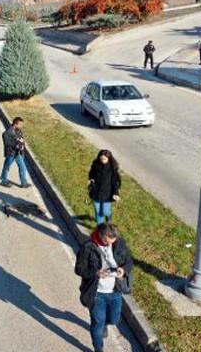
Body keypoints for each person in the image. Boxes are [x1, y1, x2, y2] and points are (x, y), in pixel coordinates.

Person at [75, 223, 132, 352]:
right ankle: (98, 347)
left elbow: (129, 261)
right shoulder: (88, 247)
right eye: (107, 242)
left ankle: (105, 324)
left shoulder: (119, 243)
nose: (110, 245)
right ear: (101, 236)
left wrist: (123, 270)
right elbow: (79, 269)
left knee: (114, 319)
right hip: (97, 293)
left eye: (113, 242)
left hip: (115, 291)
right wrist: (96, 273)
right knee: (97, 322)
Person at [88, 150, 121, 225]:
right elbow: (91, 173)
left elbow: (115, 182)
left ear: (109, 158)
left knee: (105, 211)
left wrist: (116, 193)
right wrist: (91, 179)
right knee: (98, 210)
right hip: (96, 192)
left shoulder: (113, 168)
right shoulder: (95, 165)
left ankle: (108, 217)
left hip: (107, 193)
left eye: (104, 159)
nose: (102, 160)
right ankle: (100, 227)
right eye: (101, 159)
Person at [0, 117, 30, 188]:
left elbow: (21, 139)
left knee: (22, 167)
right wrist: (17, 142)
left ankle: (23, 183)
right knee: (7, 167)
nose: (21, 126)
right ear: (15, 124)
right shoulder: (7, 133)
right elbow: (7, 144)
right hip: (11, 153)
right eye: (20, 124)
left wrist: (22, 145)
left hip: (18, 152)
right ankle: (3, 180)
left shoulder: (19, 131)